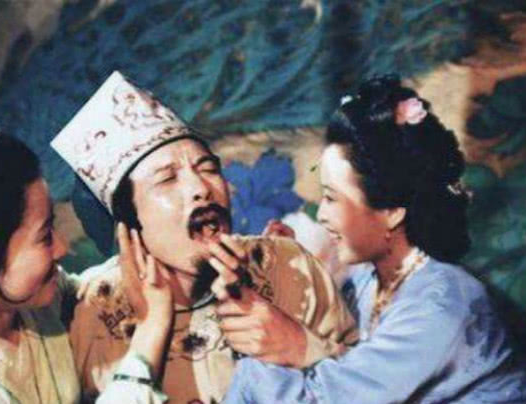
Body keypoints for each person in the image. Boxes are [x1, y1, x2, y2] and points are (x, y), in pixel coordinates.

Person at [51, 71, 358, 404]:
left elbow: (375, 387)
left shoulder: (288, 266)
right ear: (127, 222)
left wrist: (302, 346)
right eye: (167, 179)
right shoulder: (88, 311)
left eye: (208, 169)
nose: (201, 188)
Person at [220, 75, 526, 403]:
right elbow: (355, 361)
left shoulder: (442, 305)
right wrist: (286, 268)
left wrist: (293, 345)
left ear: (392, 211)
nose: (321, 215)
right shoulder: (368, 280)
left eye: (332, 198)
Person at [0, 113, 175, 403]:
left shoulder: (26, 302)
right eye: (44, 237)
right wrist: (150, 334)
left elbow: (82, 294)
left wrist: (151, 257)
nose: (62, 248)